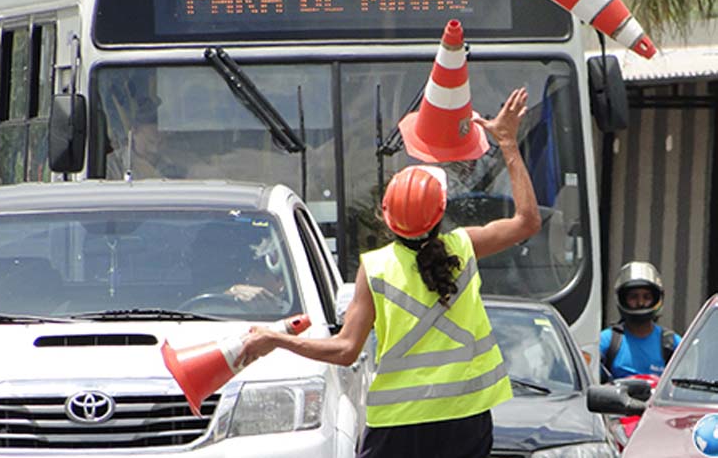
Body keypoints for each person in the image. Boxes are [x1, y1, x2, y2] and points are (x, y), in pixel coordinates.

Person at [236, 88, 541, 458]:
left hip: (400, 424)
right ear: (440, 213)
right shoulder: (464, 247)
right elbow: (526, 221)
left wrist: (277, 340)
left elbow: (346, 350)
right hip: (467, 416)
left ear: (385, 215)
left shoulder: (375, 268)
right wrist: (507, 141)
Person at [599, 261, 681, 382]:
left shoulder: (671, 343)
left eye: (646, 297)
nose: (640, 303)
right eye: (633, 297)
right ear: (623, 299)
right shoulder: (607, 341)